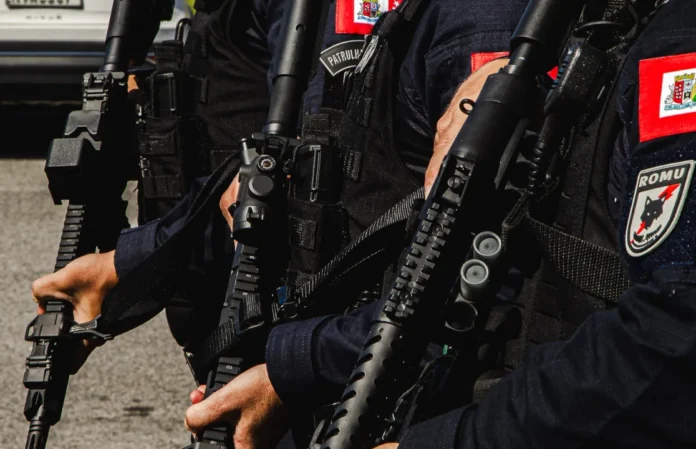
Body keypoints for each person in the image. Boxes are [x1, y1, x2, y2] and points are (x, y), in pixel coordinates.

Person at [184, 1, 696, 449]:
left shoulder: (676, 44)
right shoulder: (609, 25)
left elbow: (673, 328)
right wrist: (292, 366)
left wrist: (450, 440)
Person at [30, 0, 527, 447]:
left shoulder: (478, 18)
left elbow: (477, 280)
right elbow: (279, 174)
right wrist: (130, 264)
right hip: (315, 366)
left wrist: (291, 369)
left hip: (401, 399)